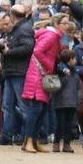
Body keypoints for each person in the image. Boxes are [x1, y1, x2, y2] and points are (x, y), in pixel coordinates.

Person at [0, 3, 34, 146]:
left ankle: (27, 135)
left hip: (19, 72)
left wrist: (9, 52)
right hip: (10, 72)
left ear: (12, 16)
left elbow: (28, 48)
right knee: (7, 105)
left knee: (23, 105)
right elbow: (4, 46)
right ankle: (7, 135)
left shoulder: (24, 29)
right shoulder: (15, 29)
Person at [20, 16, 62, 153]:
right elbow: (37, 51)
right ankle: (28, 141)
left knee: (41, 109)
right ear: (56, 24)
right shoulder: (51, 36)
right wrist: (49, 66)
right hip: (39, 75)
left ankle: (33, 141)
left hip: (39, 74)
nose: (67, 26)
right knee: (36, 109)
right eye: (64, 23)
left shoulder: (53, 35)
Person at [51, 46, 82, 152]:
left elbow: (79, 87)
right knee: (60, 124)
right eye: (74, 58)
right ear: (69, 60)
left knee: (69, 124)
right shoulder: (61, 71)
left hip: (72, 103)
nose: (76, 60)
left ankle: (66, 144)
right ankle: (56, 142)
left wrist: (78, 100)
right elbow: (58, 69)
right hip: (61, 102)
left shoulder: (75, 72)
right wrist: (63, 70)